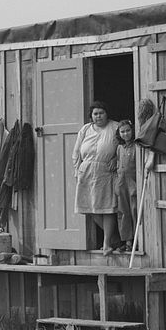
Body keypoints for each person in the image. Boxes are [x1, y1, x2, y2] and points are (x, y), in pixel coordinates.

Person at [72, 101, 120, 254]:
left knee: (107, 208)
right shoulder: (85, 129)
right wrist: (77, 169)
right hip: (86, 170)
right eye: (95, 114)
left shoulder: (115, 127)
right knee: (90, 208)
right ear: (91, 116)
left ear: (107, 114)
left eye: (101, 113)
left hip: (105, 171)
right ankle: (115, 240)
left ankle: (107, 243)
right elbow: (76, 152)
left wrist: (117, 159)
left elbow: (125, 144)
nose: (98, 116)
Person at [114, 119, 139, 253]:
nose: (125, 134)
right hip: (121, 183)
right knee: (123, 212)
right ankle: (127, 240)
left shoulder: (137, 146)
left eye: (128, 130)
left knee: (134, 209)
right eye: (122, 132)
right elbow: (118, 164)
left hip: (133, 182)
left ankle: (137, 240)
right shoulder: (119, 148)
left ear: (133, 130)